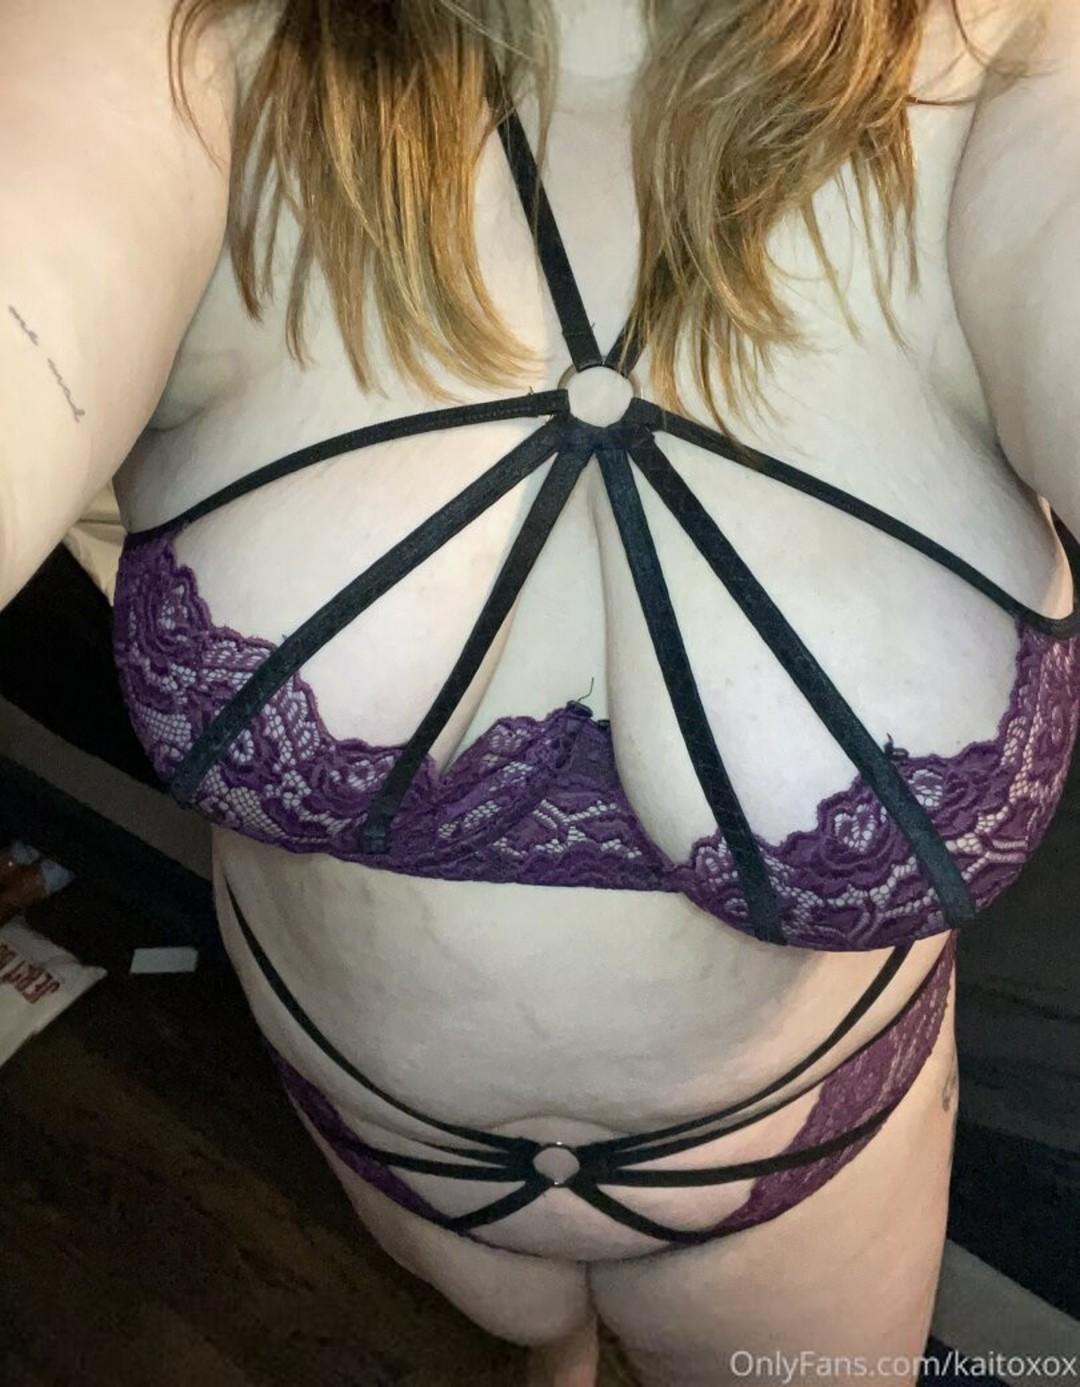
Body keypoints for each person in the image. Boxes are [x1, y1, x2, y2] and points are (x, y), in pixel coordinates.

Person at [3, 2, 1078, 1383]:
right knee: (530, 1357)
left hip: (808, 1187)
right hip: (372, 1137)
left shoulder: (1008, 55)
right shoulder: (181, 39)